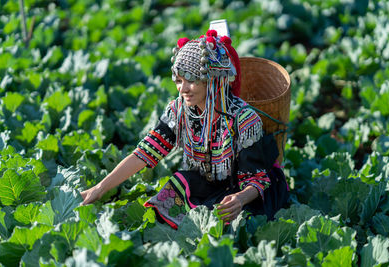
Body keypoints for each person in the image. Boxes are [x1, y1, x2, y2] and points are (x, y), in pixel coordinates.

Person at [81, 30, 289, 229]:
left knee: (234, 224)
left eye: (192, 80)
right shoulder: (179, 111)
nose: (183, 88)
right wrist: (100, 189)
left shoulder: (244, 120)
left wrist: (240, 199)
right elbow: (144, 153)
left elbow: (257, 179)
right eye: (179, 81)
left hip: (245, 191)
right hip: (207, 182)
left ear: (213, 80)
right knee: (174, 189)